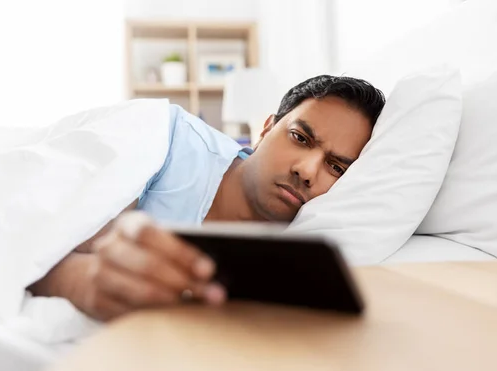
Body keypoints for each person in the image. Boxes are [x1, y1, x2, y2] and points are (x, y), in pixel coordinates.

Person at [28, 75, 385, 321]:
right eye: (300, 138)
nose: (307, 170)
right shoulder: (165, 138)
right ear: (265, 129)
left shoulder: (314, 246)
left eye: (336, 167)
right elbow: (30, 252)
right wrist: (87, 280)